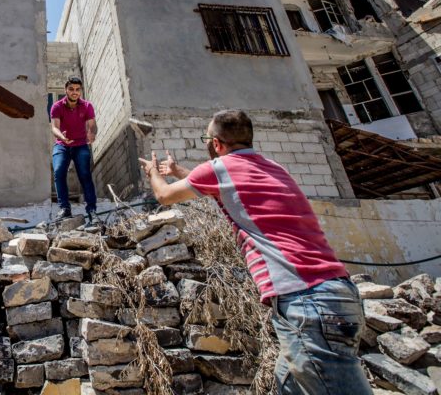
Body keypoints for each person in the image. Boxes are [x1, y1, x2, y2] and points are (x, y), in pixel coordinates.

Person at [138, 109, 373, 395]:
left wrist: (153, 173)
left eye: (206, 139)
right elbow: (220, 187)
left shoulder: (219, 169)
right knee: (287, 386)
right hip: (335, 294)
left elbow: (164, 195)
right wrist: (177, 171)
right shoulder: (273, 168)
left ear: (217, 143)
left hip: (305, 303)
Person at [50, 76, 98, 223]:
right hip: (62, 145)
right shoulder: (57, 106)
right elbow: (54, 127)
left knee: (85, 175)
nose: (74, 92)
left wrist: (92, 132)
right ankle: (65, 209)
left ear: (80, 91)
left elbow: (93, 125)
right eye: (71, 89)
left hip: (80, 145)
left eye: (77, 89)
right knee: (58, 171)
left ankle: (92, 211)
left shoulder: (87, 106)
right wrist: (62, 138)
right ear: (66, 90)